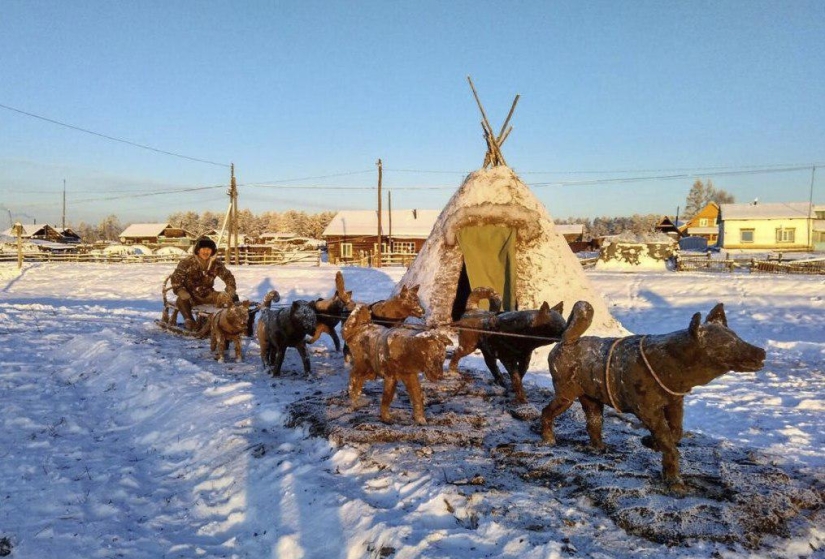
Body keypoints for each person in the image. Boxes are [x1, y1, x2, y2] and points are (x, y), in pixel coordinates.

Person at [171, 237, 237, 330]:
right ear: (198, 250)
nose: (206, 252)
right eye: (203, 249)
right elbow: (176, 278)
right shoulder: (187, 262)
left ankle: (232, 320)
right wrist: (180, 290)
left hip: (208, 295)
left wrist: (231, 287)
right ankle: (189, 320)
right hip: (191, 296)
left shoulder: (216, 263)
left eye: (208, 249)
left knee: (230, 297)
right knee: (181, 300)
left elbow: (228, 276)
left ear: (212, 251)